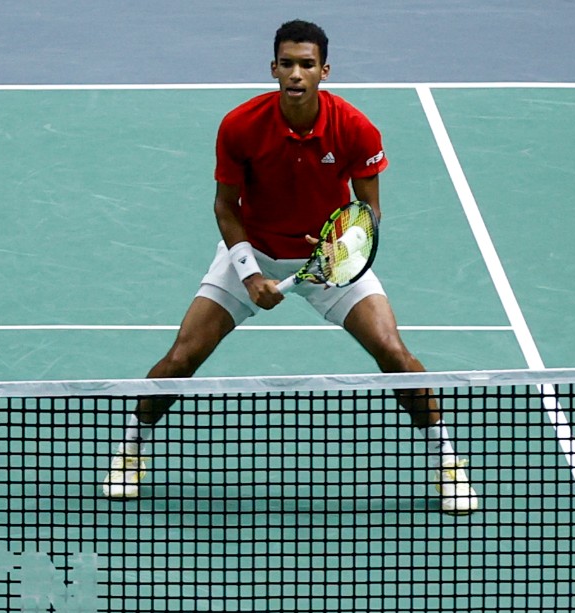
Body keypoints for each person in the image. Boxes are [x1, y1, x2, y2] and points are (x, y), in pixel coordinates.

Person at [102, 19, 478, 516]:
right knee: (180, 360)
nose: (296, 73)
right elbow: (225, 206)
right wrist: (248, 272)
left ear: (325, 70)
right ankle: (131, 448)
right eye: (287, 64)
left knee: (394, 353)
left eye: (306, 64)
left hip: (329, 257)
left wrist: (335, 256)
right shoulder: (240, 125)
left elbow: (368, 213)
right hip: (252, 251)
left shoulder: (356, 128)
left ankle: (446, 460)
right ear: (273, 68)